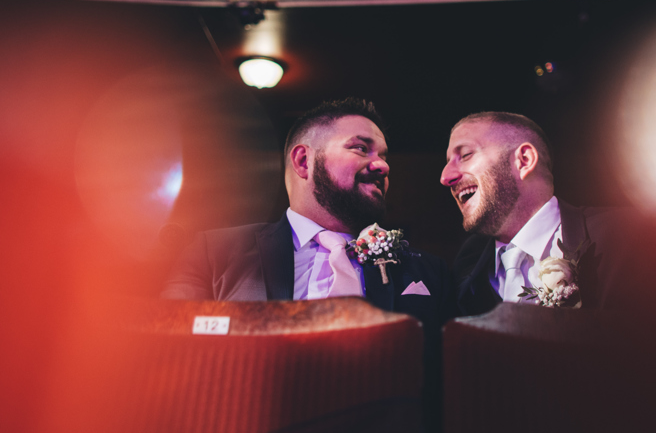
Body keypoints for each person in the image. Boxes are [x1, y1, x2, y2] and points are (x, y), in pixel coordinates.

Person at [163, 98, 454, 330]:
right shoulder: (213, 254)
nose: (382, 166)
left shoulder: (429, 272)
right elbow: (169, 347)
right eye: (361, 149)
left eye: (383, 156)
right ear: (304, 161)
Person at [440, 111, 631, 315]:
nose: (445, 177)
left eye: (466, 155)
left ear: (523, 160)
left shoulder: (623, 239)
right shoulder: (467, 263)